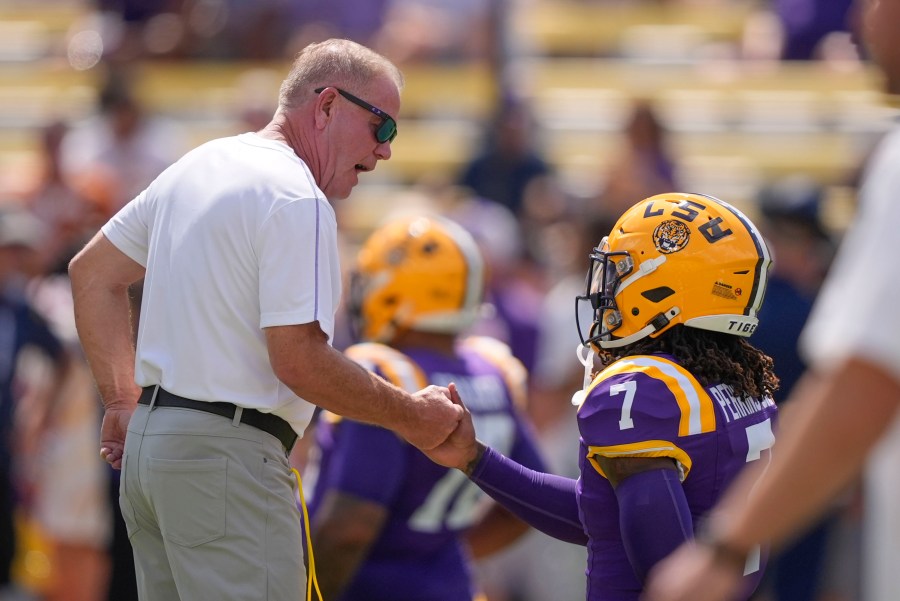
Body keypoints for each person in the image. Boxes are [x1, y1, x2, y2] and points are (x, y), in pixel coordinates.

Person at [67, 38, 464, 601]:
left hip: (154, 456)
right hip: (226, 462)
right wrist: (411, 416)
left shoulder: (199, 163)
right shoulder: (297, 196)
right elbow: (299, 362)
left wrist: (121, 401)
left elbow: (91, 274)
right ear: (326, 106)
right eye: (382, 127)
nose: (385, 151)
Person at [642, 0, 900, 599]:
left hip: (788, 469)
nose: (860, 19)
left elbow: (864, 383)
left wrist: (722, 552)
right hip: (805, 468)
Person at [425, 192, 780, 601]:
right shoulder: (737, 383)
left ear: (661, 289)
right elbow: (602, 517)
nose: (604, 290)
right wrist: (475, 459)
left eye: (619, 272)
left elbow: (669, 575)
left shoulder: (641, 387)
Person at [305, 214, 546, 600]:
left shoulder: (386, 372)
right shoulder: (494, 372)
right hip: (451, 586)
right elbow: (531, 501)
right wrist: (440, 554)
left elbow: (350, 528)